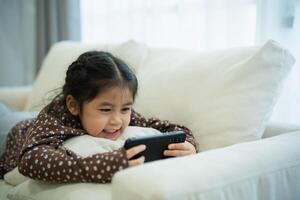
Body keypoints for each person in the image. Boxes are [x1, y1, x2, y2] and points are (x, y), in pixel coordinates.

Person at [0, 51, 198, 184]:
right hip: (15, 128)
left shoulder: (121, 113)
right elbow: (30, 160)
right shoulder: (55, 116)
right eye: (105, 110)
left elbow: (169, 127)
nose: (117, 121)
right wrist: (104, 165)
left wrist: (187, 143)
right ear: (74, 105)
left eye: (125, 109)